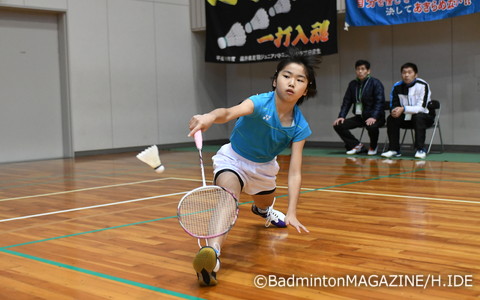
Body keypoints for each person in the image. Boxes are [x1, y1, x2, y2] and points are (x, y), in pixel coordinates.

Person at [187, 48, 319, 286]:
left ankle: (263, 211)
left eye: (300, 80)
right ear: (274, 80)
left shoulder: (300, 126)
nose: (292, 83)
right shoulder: (259, 102)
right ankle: (212, 255)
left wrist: (292, 211)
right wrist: (208, 116)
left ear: (305, 90)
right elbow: (228, 112)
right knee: (228, 197)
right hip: (234, 159)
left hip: (264, 169)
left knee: (264, 203)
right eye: (286, 76)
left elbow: (296, 172)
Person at [381, 62, 435, 159]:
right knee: (391, 118)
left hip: (424, 117)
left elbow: (421, 107)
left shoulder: (423, 85)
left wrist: (404, 109)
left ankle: (420, 149)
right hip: (406, 117)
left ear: (416, 74)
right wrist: (394, 111)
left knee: (418, 117)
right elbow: (393, 104)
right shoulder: (396, 86)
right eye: (404, 72)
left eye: (409, 72)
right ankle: (394, 149)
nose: (406, 75)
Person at [333, 60, 386, 156]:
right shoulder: (353, 84)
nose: (360, 71)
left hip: (376, 117)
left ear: (368, 71)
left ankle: (373, 146)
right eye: (358, 69)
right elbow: (347, 102)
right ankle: (357, 145)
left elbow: (380, 102)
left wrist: (374, 117)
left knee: (371, 126)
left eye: (363, 69)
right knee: (338, 125)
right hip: (360, 117)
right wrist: (341, 116)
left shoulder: (375, 83)